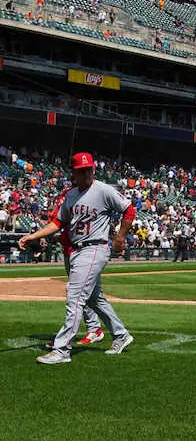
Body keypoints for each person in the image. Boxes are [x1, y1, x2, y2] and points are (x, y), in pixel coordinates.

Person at [18, 152, 135, 364]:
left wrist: (119, 237)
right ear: (74, 173)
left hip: (94, 248)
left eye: (89, 169)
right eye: (82, 170)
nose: (87, 172)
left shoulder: (103, 190)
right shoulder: (71, 196)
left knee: (75, 296)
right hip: (77, 250)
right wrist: (32, 235)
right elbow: (57, 224)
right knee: (94, 298)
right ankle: (121, 335)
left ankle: (62, 350)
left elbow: (129, 210)